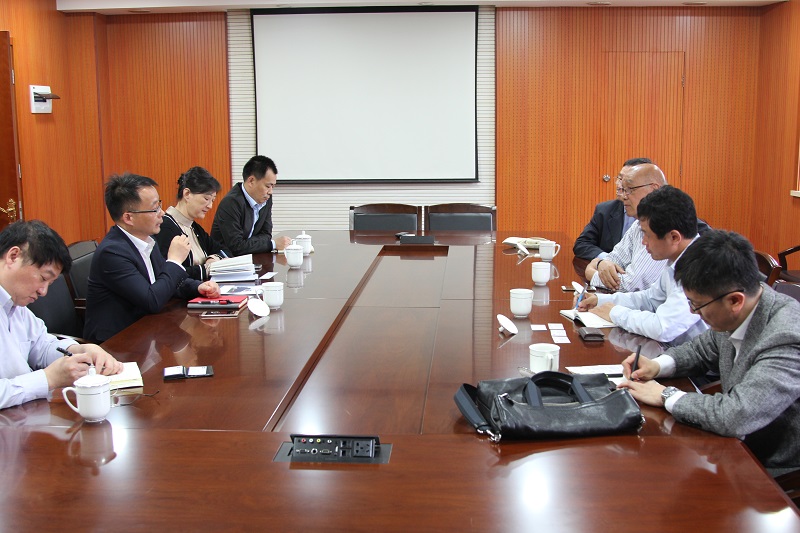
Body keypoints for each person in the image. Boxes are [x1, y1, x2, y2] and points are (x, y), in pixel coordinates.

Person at [618, 230, 800, 476]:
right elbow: (702, 348)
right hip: (731, 442)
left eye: (697, 305)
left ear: (734, 301)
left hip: (772, 462)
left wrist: (665, 394)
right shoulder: (741, 308)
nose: (693, 313)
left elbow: (737, 415)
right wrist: (657, 366)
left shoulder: (787, 335)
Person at [84, 173, 220, 343]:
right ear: (128, 217)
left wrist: (198, 287)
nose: (161, 213)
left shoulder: (147, 241)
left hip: (148, 334)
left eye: (159, 205)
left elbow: (166, 281)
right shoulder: (112, 253)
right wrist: (175, 260)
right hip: (117, 343)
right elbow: (151, 300)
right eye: (154, 209)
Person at [0, 220, 122, 409]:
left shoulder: (15, 305)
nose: (43, 292)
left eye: (49, 283)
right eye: (43, 278)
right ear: (13, 256)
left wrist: (80, 350)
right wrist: (48, 378)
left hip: (25, 413)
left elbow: (42, 345)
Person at [576, 186, 708, 345]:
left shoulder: (699, 267)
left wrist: (615, 313)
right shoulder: (677, 259)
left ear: (674, 237)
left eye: (647, 235)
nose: (643, 242)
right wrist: (601, 300)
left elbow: (662, 328)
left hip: (693, 357)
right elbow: (650, 299)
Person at [154, 167, 231, 281]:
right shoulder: (165, 227)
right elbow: (169, 272)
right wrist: (206, 269)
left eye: (212, 200)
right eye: (206, 199)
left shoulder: (194, 227)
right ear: (187, 194)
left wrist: (212, 259)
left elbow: (225, 250)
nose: (210, 206)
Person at [572, 157, 652, 261]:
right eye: (619, 178)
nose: (619, 185)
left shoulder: (657, 215)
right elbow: (582, 244)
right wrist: (608, 260)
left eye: (628, 181)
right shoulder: (605, 210)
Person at [211, 155, 291, 255]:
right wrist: (272, 244)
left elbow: (266, 234)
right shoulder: (231, 203)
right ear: (251, 181)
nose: (270, 192)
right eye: (267, 186)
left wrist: (249, 244)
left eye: (273, 186)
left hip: (251, 257)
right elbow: (236, 246)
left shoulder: (266, 199)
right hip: (226, 260)